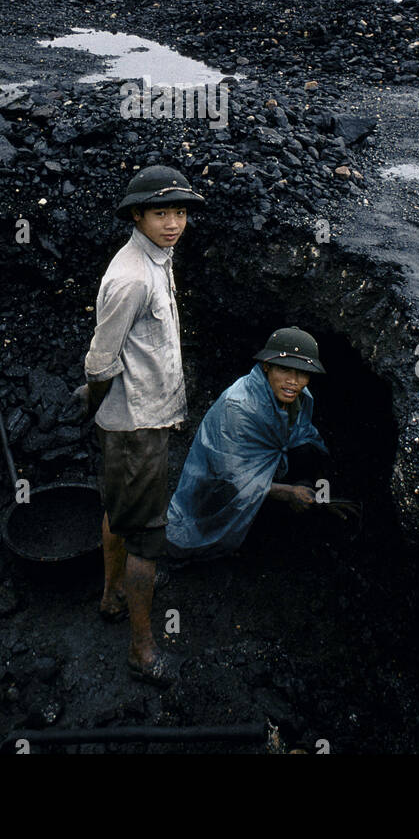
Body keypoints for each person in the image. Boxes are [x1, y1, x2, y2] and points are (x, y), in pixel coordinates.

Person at [81, 164, 205, 686]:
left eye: (179, 212)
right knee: (147, 539)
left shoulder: (159, 257)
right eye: (161, 213)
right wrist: (95, 406)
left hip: (140, 416)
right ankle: (142, 649)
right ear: (137, 215)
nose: (173, 222)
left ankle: (110, 597)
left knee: (117, 509)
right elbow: (99, 363)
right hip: (137, 426)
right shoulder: (131, 276)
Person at [165, 327, 329, 561]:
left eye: (302, 373)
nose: (293, 381)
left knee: (309, 451)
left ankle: (303, 518)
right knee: (220, 531)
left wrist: (324, 495)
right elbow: (230, 477)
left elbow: (309, 440)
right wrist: (290, 493)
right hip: (219, 489)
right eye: (284, 369)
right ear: (266, 366)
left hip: (266, 472)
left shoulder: (300, 396)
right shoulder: (238, 406)